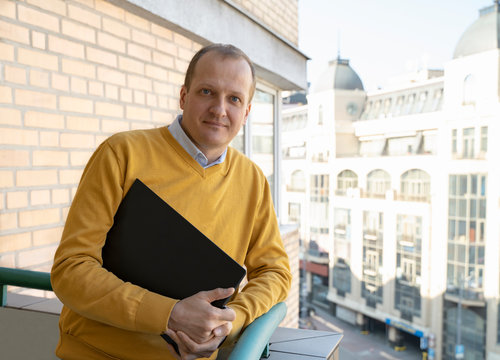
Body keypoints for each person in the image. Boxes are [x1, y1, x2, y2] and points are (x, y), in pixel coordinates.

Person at [51, 43, 292, 360]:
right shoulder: (122, 154)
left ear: (246, 112)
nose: (220, 109)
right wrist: (170, 313)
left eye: (234, 99)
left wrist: (231, 320)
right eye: (207, 92)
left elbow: (275, 273)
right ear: (184, 96)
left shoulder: (253, 180)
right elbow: (71, 270)